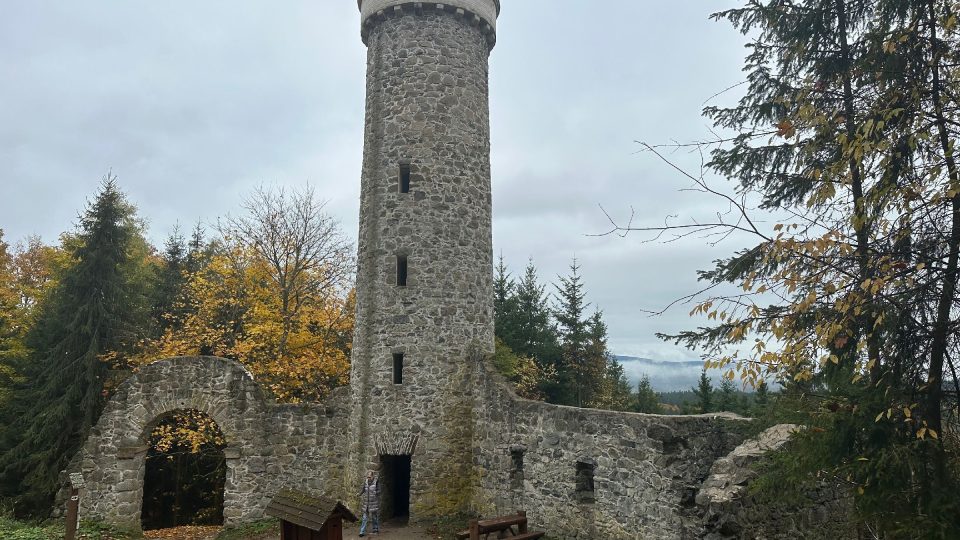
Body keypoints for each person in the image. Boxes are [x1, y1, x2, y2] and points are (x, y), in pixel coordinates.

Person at [359, 470, 381, 537]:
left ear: (372, 476)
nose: (368, 478)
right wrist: (359, 494)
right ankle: (361, 532)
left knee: (374, 517)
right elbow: (363, 489)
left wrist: (375, 493)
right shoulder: (365, 482)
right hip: (366, 503)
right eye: (367, 477)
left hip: (373, 502)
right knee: (364, 517)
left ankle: (375, 529)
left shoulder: (376, 482)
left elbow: (379, 490)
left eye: (369, 477)